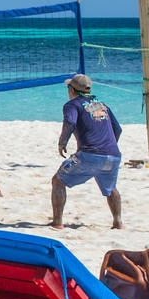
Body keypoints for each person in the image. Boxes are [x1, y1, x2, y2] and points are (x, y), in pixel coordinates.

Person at [50, 73, 122, 228]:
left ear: (72, 89)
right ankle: (118, 222)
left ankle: (57, 223)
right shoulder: (102, 105)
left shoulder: (72, 105)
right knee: (111, 187)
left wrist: (62, 142)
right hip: (113, 155)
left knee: (57, 182)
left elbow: (70, 121)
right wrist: (107, 146)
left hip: (90, 154)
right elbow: (118, 129)